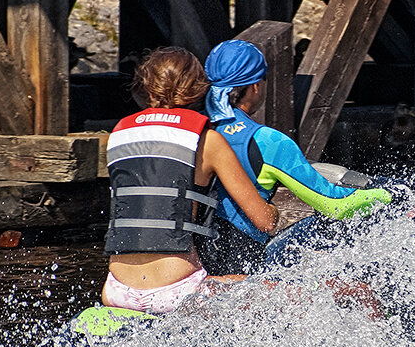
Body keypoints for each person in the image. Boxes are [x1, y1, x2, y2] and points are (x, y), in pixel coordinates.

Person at [101, 46, 279, 314]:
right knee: (285, 291)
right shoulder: (207, 140)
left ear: (148, 91)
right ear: (198, 89)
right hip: (178, 289)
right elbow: (264, 222)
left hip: (115, 288)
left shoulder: (118, 135)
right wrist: (274, 208)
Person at [199, 39, 391, 272]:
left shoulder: (191, 129)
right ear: (256, 86)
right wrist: (388, 194)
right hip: (241, 268)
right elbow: (335, 205)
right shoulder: (267, 141)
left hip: (192, 263)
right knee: (327, 223)